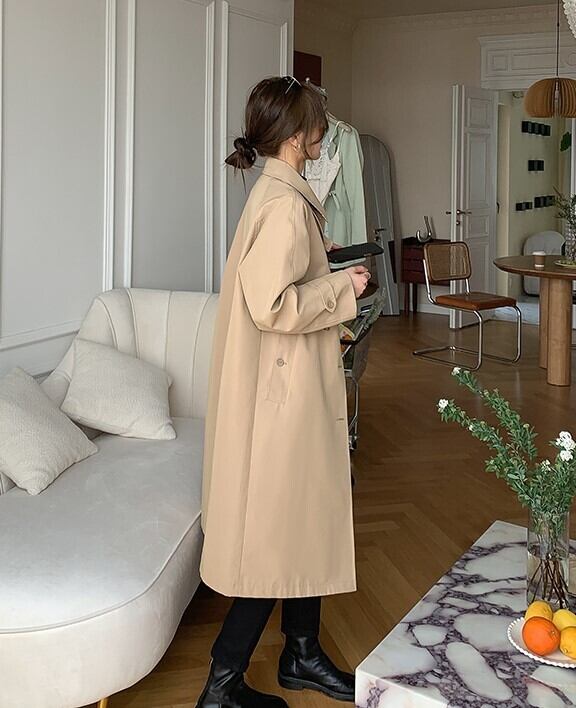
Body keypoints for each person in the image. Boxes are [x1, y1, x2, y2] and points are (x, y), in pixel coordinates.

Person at [196, 75, 370, 708]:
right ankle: (221, 686)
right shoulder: (285, 203)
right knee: (277, 534)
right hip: (283, 396)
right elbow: (271, 304)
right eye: (318, 123)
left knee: (302, 521)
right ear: (298, 136)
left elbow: (277, 276)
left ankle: (301, 654)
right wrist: (343, 286)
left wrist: (321, 260)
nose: (324, 133)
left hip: (284, 386)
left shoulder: (278, 194)